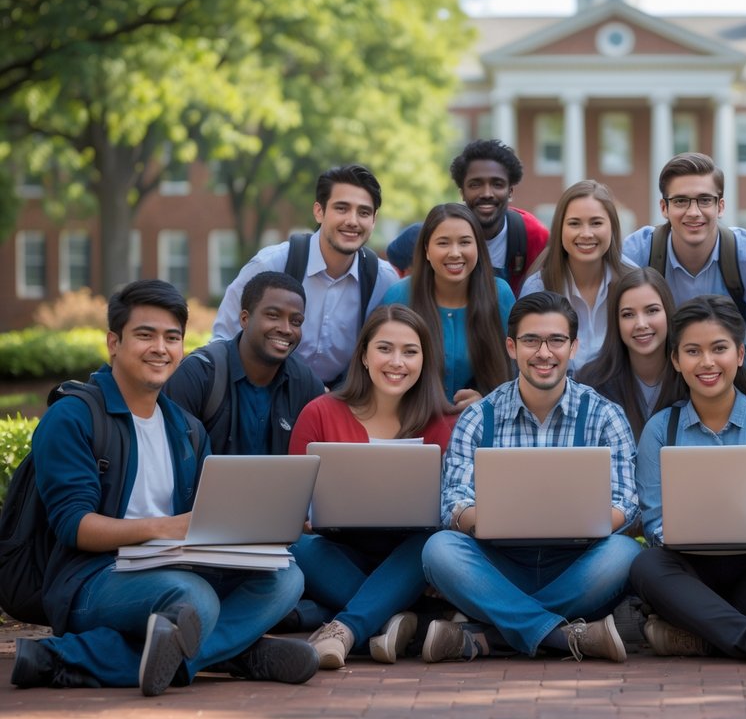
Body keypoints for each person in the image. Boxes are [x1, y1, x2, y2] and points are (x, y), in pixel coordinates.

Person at [11, 280, 316, 696]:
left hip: (175, 566)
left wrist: (252, 527)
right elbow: (75, 527)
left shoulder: (185, 429)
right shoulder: (73, 417)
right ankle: (64, 658)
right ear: (113, 343)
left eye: (172, 338)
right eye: (145, 335)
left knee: (286, 579)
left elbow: (200, 518)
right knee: (196, 600)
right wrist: (166, 527)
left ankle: (198, 655)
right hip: (92, 578)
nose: (161, 348)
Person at [420, 292, 642, 662]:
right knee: (439, 550)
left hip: (576, 566)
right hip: (498, 565)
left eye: (556, 340)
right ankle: (563, 636)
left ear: (573, 347)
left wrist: (584, 521)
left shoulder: (605, 416)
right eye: (531, 341)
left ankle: (489, 635)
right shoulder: (479, 417)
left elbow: (626, 504)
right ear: (511, 346)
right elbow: (453, 504)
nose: (544, 353)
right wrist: (491, 519)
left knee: (624, 553)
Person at [628, 295, 746, 662]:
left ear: (740, 354)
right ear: (676, 360)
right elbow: (654, 524)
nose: (707, 362)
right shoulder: (659, 431)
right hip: (691, 573)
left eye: (719, 349)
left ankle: (702, 632)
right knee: (646, 566)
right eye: (693, 351)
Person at [289, 305, 456, 670]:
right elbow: (292, 509)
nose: (397, 362)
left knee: (435, 544)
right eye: (384, 348)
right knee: (295, 545)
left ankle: (346, 628)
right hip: (339, 552)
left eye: (410, 352)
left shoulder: (446, 422)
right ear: (364, 355)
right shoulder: (319, 413)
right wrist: (305, 519)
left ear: (424, 361)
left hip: (412, 558)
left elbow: (454, 507)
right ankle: (399, 620)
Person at [212, 165, 399, 387]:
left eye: (364, 212)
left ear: (374, 220)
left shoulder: (383, 280)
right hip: (262, 393)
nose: (353, 220)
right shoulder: (272, 264)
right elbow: (222, 341)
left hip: (338, 404)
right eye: (341, 208)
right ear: (319, 211)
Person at [622, 153, 746, 387]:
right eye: (681, 201)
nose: (693, 212)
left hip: (728, 385)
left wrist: (729, 371)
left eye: (705, 200)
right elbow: (619, 334)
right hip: (657, 383)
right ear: (664, 207)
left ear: (721, 206)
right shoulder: (637, 252)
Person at [165, 271, 324, 455]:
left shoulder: (306, 384)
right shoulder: (199, 374)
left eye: (296, 321)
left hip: (281, 484)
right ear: (244, 319)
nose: (286, 329)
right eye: (273, 315)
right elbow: (173, 459)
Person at [379, 204, 513, 411]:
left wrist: (489, 399)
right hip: (411, 422)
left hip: (481, 424)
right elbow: (378, 365)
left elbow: (518, 368)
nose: (455, 253)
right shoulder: (398, 296)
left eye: (465, 242)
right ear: (426, 250)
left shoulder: (499, 294)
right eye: (443, 243)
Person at [386, 139, 549, 292]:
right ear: (462, 192)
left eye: (497, 184)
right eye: (475, 184)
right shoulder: (424, 235)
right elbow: (394, 271)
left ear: (510, 191)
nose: (486, 193)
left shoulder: (535, 235)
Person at [520, 180, 637, 372]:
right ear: (560, 229)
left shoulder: (632, 281)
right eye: (574, 223)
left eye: (596, 223)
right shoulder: (538, 288)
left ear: (612, 227)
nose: (586, 233)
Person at [578, 266, 679, 441]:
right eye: (628, 314)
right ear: (616, 321)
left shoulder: (690, 378)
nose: (641, 324)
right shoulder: (592, 383)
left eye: (652, 310)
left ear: (668, 312)